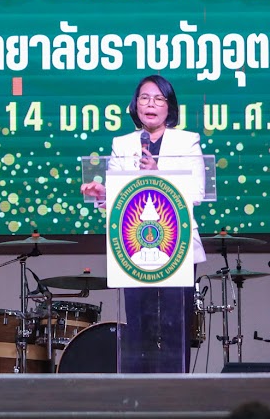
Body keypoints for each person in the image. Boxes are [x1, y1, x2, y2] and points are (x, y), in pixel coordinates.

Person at [81, 73, 207, 372]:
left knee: (174, 325)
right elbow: (121, 196)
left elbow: (197, 193)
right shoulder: (122, 144)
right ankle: (140, 389)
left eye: (158, 99)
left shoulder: (187, 141)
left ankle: (177, 390)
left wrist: (158, 172)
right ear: (135, 105)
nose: (150, 104)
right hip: (133, 247)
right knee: (139, 325)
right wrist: (102, 194)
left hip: (176, 245)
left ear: (169, 107)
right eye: (144, 98)